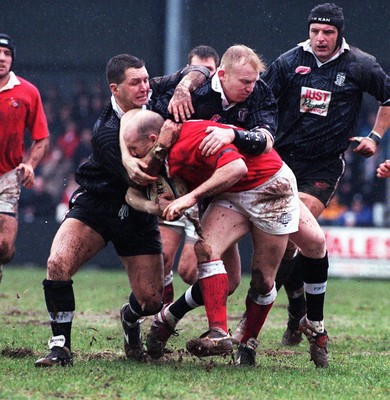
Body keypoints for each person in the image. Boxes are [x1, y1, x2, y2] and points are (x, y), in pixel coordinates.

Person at [35, 54, 210, 367]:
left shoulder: (154, 91)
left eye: (145, 79)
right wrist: (163, 144)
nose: (144, 87)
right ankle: (60, 347)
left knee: (152, 300)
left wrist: (183, 88)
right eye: (135, 83)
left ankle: (129, 319)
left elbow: (198, 70)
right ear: (115, 89)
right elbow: (140, 178)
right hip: (99, 204)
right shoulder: (105, 132)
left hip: (138, 216)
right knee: (57, 263)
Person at [121, 110, 328, 367]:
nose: (130, 156)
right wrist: (156, 207)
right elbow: (132, 192)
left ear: (153, 138)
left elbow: (237, 167)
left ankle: (249, 341)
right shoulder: (157, 151)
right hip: (231, 192)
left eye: (132, 149)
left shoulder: (191, 140)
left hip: (268, 188)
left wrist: (190, 197)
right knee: (206, 250)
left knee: (263, 279)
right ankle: (218, 332)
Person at [249, 2, 390, 350]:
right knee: (288, 243)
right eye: (315, 31)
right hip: (281, 162)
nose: (320, 38)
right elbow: (259, 99)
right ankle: (297, 307)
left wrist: (375, 137)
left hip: (323, 167)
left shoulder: (360, 64)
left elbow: (388, 97)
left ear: (340, 34)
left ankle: (250, 324)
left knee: (289, 229)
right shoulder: (288, 62)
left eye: (327, 32)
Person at [159, 45, 220, 302]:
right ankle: (162, 311)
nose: (202, 77)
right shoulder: (169, 101)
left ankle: (213, 301)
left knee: (188, 271)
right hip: (175, 186)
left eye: (209, 71)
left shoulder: (223, 102)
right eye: (197, 71)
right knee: (160, 257)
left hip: (205, 194)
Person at [0, 33, 50, 283]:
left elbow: (42, 137)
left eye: (7, 53)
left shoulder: (27, 92)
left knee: (5, 250)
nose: (2, 58)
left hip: (8, 177)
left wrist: (30, 165)